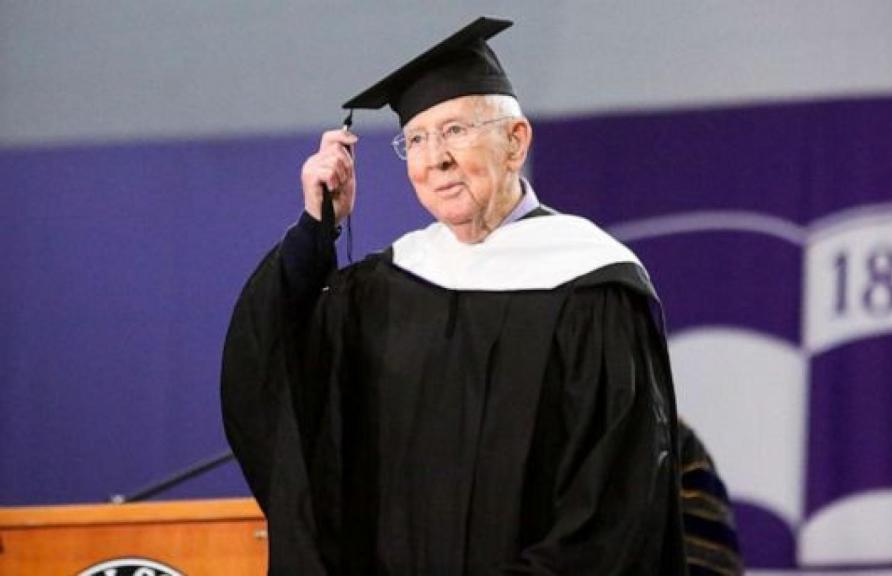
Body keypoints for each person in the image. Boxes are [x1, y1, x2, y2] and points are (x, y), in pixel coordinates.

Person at [222, 17, 692, 575]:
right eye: (416, 139)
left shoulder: (591, 286)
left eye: (455, 131)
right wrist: (316, 227)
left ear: (515, 142)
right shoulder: (385, 290)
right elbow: (273, 371)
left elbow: (618, 499)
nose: (435, 158)